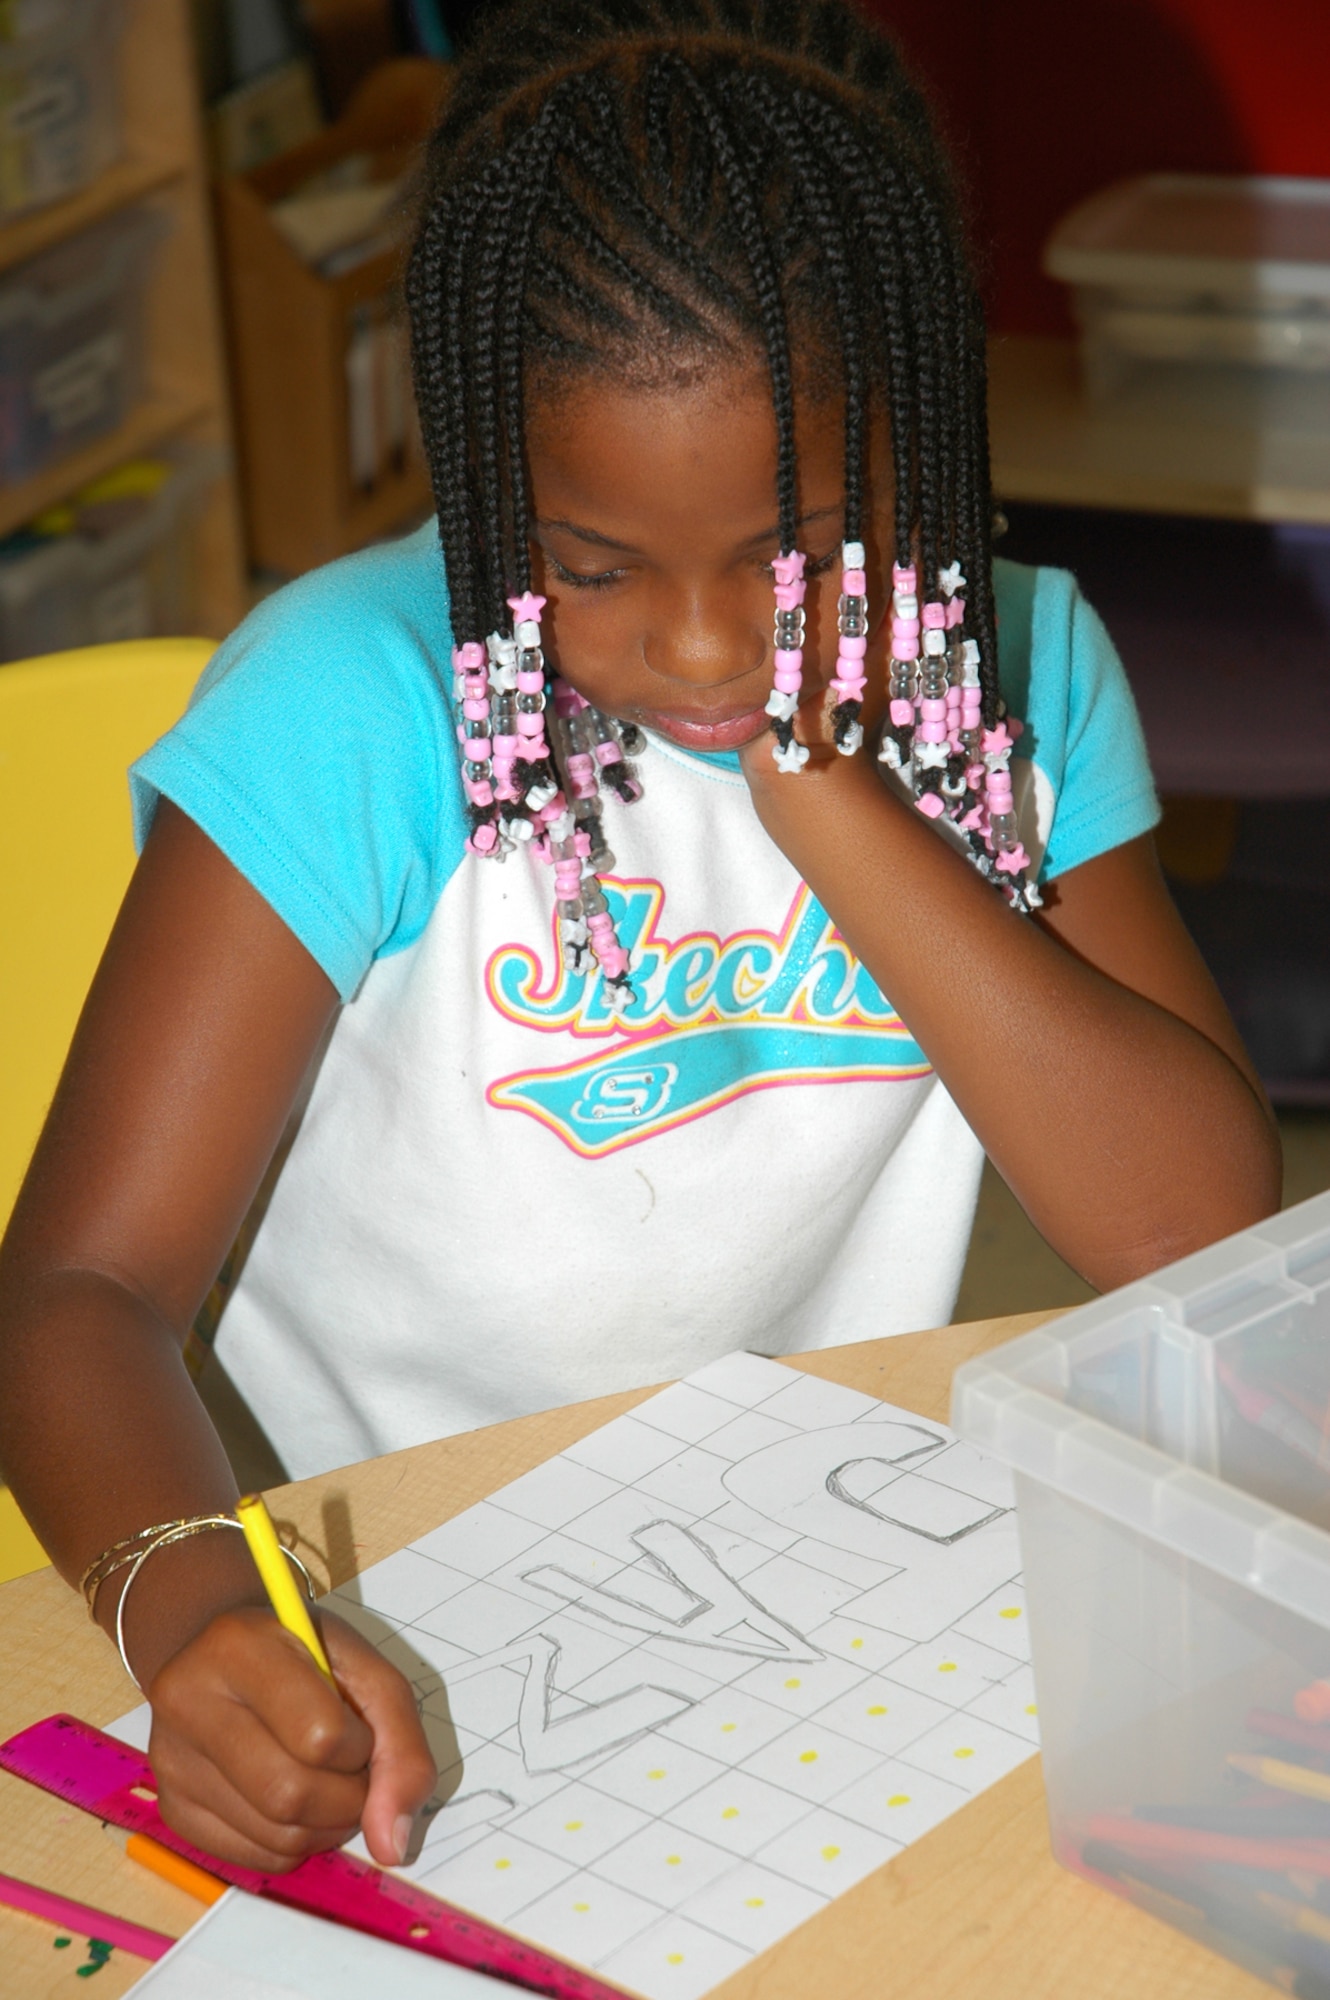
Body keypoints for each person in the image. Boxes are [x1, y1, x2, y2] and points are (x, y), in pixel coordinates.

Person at [0, 0, 1279, 1881]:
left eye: (798, 552)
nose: (698, 648)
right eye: (588, 567)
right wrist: (196, 1615)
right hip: (369, 1581)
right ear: (483, 497)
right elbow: (77, 1290)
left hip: (804, 1572)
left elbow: (1189, 1233)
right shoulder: (356, 710)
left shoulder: (1004, 681)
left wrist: (840, 804)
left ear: (926, 435)